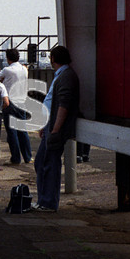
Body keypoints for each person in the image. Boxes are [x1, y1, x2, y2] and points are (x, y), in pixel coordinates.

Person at [32, 45, 80, 212]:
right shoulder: (61, 75)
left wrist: (55, 129)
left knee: (49, 164)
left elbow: (63, 106)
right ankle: (44, 200)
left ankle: (48, 203)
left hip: (56, 129)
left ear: (53, 59)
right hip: (51, 126)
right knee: (42, 162)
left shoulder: (66, 77)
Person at [0, 48, 32, 164]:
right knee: (22, 131)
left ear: (8, 58)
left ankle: (16, 158)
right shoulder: (24, 69)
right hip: (22, 102)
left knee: (12, 132)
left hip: (10, 103)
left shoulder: (7, 70)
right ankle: (27, 157)